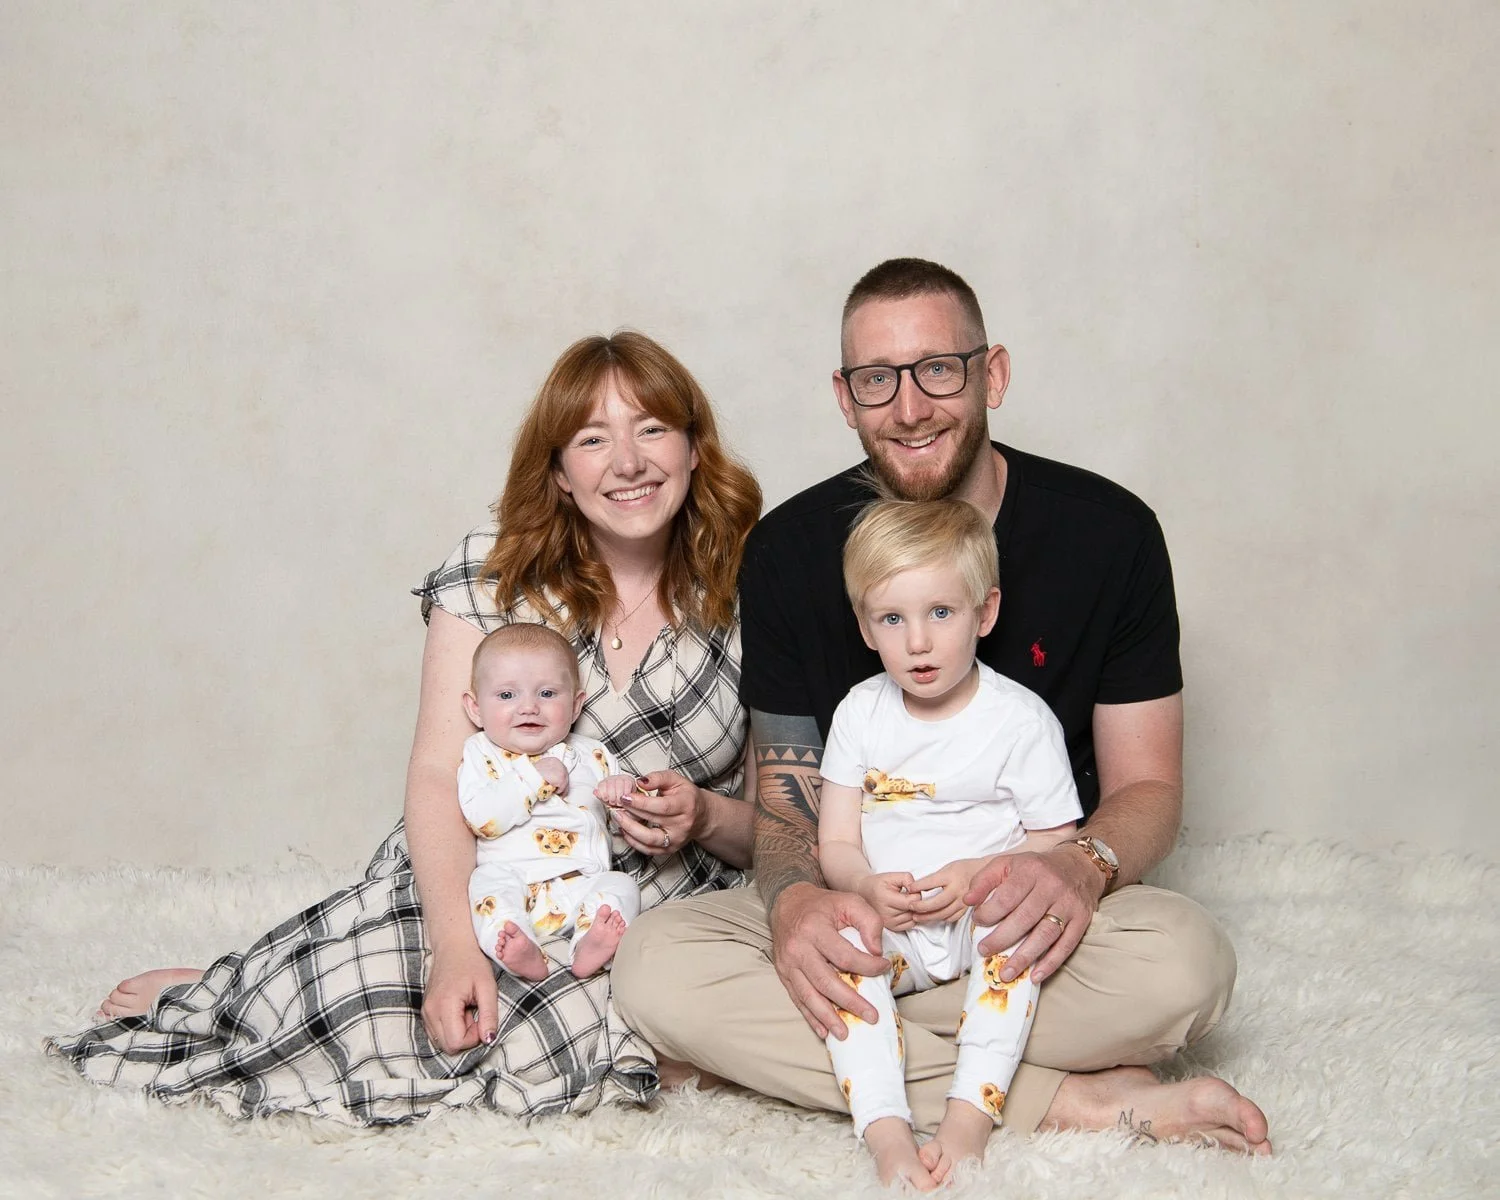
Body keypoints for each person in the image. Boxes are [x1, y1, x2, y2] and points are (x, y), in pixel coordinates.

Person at [613, 258, 1272, 1156]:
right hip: (865, 914)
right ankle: (1062, 1099)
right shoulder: (788, 552)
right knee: (655, 969)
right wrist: (798, 902)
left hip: (1018, 917)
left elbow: (1148, 788)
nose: (910, 407)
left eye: (938, 370)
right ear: (845, 398)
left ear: (991, 374)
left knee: (1186, 964)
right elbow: (788, 806)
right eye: (877, 380)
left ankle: (813, 1058)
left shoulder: (1109, 534)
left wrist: (1078, 866)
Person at [49, 330, 762, 1125]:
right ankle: (241, 989)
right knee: (370, 1008)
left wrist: (705, 815)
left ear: (694, 447)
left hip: (641, 903)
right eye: (593, 439)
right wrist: (455, 946)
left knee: (539, 1044)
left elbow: (780, 827)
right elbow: (435, 774)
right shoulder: (491, 575)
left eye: (652, 428)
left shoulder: (757, 590)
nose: (627, 462)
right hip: (483, 870)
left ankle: (279, 987)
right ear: (560, 472)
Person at [818, 497, 1082, 1189]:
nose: (918, 642)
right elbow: (837, 842)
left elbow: (1057, 842)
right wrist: (865, 886)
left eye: (941, 612)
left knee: (1015, 935)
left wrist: (981, 874)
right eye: (892, 619)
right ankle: (885, 1129)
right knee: (842, 955)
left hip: (977, 921)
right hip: (897, 930)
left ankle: (969, 1118)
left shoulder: (1020, 720)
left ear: (984, 612)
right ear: (865, 627)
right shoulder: (859, 713)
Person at [458, 623, 642, 982]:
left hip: (581, 882)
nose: (529, 707)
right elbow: (480, 818)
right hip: (514, 881)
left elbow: (622, 822)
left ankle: (590, 943)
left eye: (546, 693)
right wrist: (533, 777)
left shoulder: (592, 754)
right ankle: (514, 941)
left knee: (622, 886)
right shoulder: (481, 752)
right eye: (507, 695)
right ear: (476, 708)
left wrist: (624, 791)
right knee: (485, 884)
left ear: (575, 706)